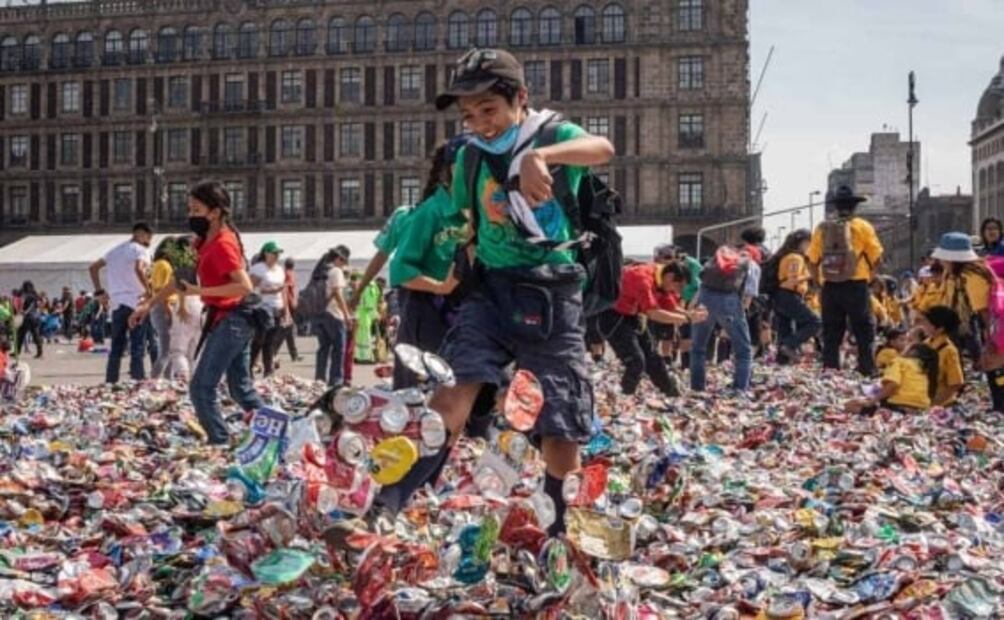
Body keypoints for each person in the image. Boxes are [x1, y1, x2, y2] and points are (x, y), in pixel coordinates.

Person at [374, 48, 614, 535]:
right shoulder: (468, 158)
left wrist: (539, 158)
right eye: (469, 114)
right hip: (490, 292)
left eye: (489, 110)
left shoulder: (551, 135)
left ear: (520, 99)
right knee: (450, 396)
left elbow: (603, 148)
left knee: (559, 422)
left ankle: (561, 532)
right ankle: (385, 506)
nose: (480, 123)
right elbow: (467, 222)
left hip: (551, 293)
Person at [130, 181, 263, 445]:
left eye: (196, 209)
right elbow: (180, 278)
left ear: (214, 212)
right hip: (230, 318)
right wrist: (149, 304)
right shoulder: (202, 242)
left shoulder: (223, 244)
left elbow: (244, 285)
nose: (190, 215)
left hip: (235, 318)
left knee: (201, 387)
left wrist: (195, 292)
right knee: (240, 389)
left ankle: (220, 442)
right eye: (189, 209)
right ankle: (283, 432)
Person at [387, 137, 470, 388]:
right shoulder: (431, 212)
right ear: (448, 170)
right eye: (464, 165)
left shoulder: (481, 212)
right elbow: (400, 269)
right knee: (424, 392)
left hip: (467, 311)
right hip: (428, 312)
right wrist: (440, 286)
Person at [598, 261, 706, 398]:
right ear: (670, 277)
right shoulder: (643, 279)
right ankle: (625, 396)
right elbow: (654, 314)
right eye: (678, 286)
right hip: (612, 315)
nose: (677, 291)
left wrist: (688, 314)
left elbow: (669, 305)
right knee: (636, 361)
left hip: (633, 314)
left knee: (653, 356)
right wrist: (688, 319)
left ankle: (670, 392)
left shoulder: (660, 275)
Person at [806, 184, 884, 376]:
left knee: (831, 331)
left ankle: (830, 368)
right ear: (854, 207)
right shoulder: (863, 227)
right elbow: (877, 258)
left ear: (836, 207)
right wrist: (869, 279)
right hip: (856, 285)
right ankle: (867, 367)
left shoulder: (822, 228)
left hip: (830, 286)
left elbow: (812, 260)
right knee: (863, 329)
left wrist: (818, 283)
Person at [690, 244, 760, 393]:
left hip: (705, 298)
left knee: (698, 348)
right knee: (744, 350)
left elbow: (702, 281)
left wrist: (694, 305)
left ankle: (697, 387)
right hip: (729, 301)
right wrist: (740, 315)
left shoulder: (719, 259)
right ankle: (739, 388)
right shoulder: (751, 264)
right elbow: (749, 293)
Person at [89, 222, 153, 383]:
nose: (149, 242)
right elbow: (139, 268)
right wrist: (149, 290)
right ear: (142, 234)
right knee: (137, 345)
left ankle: (111, 381)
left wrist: (99, 291)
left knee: (116, 346)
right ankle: (137, 380)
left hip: (117, 302)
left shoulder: (115, 251)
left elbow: (93, 268)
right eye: (148, 238)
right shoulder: (141, 250)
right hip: (136, 301)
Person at [930, 232, 994, 362]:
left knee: (976, 353)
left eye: (943, 258)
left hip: (971, 322)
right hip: (953, 321)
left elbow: (984, 310)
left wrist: (991, 339)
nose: (940, 261)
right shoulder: (951, 273)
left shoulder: (972, 276)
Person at [845, 343, 939, 414]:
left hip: (898, 407)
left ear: (912, 352)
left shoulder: (899, 361)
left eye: (908, 344)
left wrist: (872, 402)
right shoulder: (923, 369)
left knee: (850, 405)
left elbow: (893, 384)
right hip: (922, 409)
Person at [771, 229, 820, 364]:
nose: (810, 247)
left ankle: (782, 361)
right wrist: (810, 275)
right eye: (809, 243)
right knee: (815, 322)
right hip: (789, 295)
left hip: (781, 296)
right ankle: (788, 345)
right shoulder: (795, 258)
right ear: (802, 242)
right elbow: (793, 279)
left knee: (785, 329)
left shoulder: (786, 256)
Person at [315, 246, 352, 387]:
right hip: (334, 314)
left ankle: (319, 379)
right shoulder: (336, 271)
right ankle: (336, 381)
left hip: (319, 313)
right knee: (339, 349)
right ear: (338, 259)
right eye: (343, 260)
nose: (344, 264)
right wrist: (347, 315)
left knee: (323, 348)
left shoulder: (321, 271)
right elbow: (337, 294)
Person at [249, 241, 287, 377]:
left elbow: (284, 291)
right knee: (259, 339)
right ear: (266, 253)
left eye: (278, 253)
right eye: (274, 253)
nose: (276, 256)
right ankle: (250, 367)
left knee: (271, 341)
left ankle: (268, 370)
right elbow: (251, 289)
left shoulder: (280, 270)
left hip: (277, 307)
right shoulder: (258, 268)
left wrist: (286, 311)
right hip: (262, 308)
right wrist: (268, 290)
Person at [915, 305, 965, 407]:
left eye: (927, 323)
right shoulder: (927, 343)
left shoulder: (949, 351)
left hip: (942, 404)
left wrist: (935, 404)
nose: (923, 326)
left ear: (940, 329)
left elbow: (956, 384)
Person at [149, 237, 177, 379]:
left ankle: (168, 379)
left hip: (160, 307)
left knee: (169, 349)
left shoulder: (157, 264)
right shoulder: (165, 265)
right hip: (164, 306)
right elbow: (162, 290)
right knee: (166, 350)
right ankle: (154, 380)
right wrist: (169, 311)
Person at [353, 277, 381, 363]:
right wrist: (375, 314)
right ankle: (365, 357)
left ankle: (358, 356)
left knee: (360, 337)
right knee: (365, 337)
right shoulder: (372, 287)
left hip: (361, 313)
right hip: (365, 314)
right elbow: (371, 304)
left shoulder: (364, 287)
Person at [279, 257, 300, 362]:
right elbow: (286, 291)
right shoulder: (288, 274)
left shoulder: (288, 274)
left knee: (289, 331)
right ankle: (272, 352)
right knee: (285, 330)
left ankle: (294, 354)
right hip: (289, 306)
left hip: (290, 305)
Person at [14, 281, 42, 358]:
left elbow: (29, 305)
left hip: (27, 317)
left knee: (20, 335)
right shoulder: (35, 295)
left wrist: (25, 312)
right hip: (35, 317)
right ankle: (40, 352)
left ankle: (17, 351)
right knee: (35, 335)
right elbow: (37, 305)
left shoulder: (25, 295)